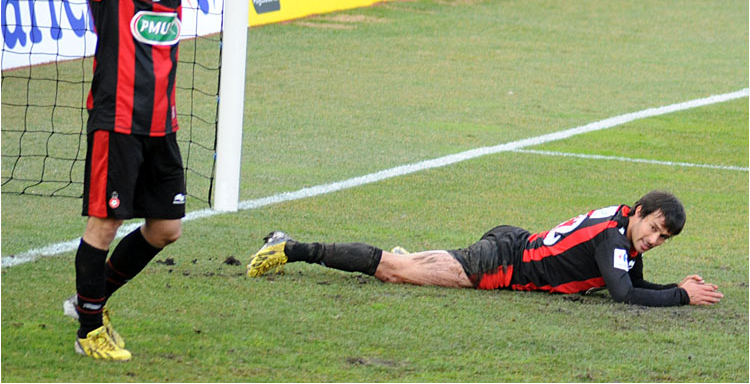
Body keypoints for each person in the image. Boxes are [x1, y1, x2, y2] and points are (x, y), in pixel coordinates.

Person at [65, 0, 238, 361]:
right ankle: (88, 331)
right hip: (116, 125)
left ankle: (88, 301)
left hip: (163, 127)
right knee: (106, 224)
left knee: (165, 229)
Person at [247, 190, 723, 307]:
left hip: (513, 247)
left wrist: (676, 287)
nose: (654, 240)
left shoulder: (622, 227)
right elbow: (623, 294)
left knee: (408, 265)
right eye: (655, 229)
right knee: (392, 270)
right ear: (640, 211)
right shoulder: (615, 236)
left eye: (662, 238)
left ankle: (418, 260)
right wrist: (680, 296)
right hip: (499, 265)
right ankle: (292, 247)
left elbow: (632, 281)